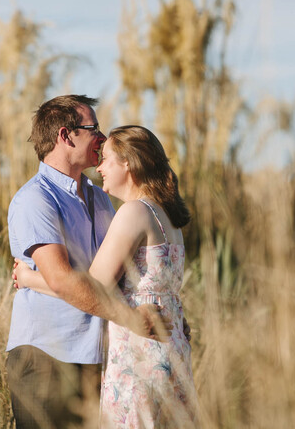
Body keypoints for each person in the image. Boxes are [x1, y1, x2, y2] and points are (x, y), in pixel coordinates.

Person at [14, 125, 198, 428]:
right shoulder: (166, 215)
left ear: (128, 163)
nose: (99, 167)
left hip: (141, 350)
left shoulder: (134, 212)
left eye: (107, 159)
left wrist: (30, 277)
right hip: (171, 347)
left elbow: (94, 286)